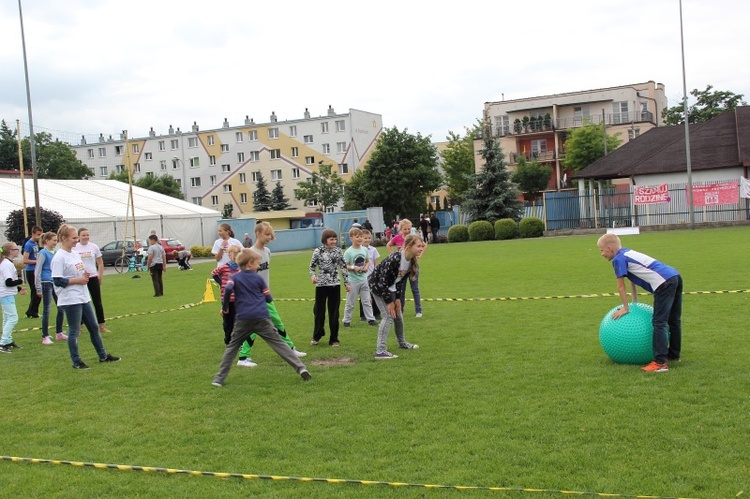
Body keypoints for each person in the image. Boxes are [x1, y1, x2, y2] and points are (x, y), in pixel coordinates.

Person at [212, 249, 311, 387]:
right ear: (250, 263)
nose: (259, 266)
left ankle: (219, 379)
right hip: (262, 317)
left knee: (232, 347)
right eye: (258, 263)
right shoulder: (258, 278)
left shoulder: (234, 278)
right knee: (279, 344)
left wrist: (225, 307)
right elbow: (268, 297)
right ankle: (301, 368)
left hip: (243, 319)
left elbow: (228, 289)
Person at [597, 233, 682, 373]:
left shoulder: (618, 259)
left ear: (610, 248)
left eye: (602, 250)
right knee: (674, 320)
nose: (602, 254)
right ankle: (673, 355)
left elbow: (621, 286)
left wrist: (625, 308)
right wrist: (634, 303)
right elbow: (632, 279)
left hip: (664, 283)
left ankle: (660, 363)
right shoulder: (626, 252)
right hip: (674, 276)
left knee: (659, 322)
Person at [237, 222, 306, 365]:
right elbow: (241, 276)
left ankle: (289, 348)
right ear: (258, 234)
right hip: (254, 298)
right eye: (267, 234)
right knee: (257, 327)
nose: (269, 237)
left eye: (271, 234)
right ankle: (243, 358)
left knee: (274, 323)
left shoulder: (267, 252)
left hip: (265, 296)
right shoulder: (249, 253)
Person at [51, 225, 119, 369]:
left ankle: (103, 355)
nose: (77, 240)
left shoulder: (74, 254)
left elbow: (79, 271)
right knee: (74, 330)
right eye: (74, 237)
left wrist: (84, 275)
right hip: (70, 299)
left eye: (77, 237)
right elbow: (57, 280)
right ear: (64, 238)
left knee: (94, 327)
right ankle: (76, 361)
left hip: (83, 296)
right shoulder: (59, 257)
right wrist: (78, 280)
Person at [368, 234, 424, 359]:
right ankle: (380, 351)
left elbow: (400, 281)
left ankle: (402, 343)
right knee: (388, 315)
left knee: (398, 315)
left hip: (390, 287)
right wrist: (389, 302)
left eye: (422, 246)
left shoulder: (411, 261)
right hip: (378, 287)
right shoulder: (395, 259)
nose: (421, 249)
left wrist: (398, 298)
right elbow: (382, 282)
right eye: (419, 246)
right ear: (409, 246)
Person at [309, 228, 350, 347]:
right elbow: (312, 267)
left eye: (335, 239)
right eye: (331, 239)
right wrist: (313, 276)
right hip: (321, 285)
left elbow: (343, 267)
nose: (334, 241)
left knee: (334, 313)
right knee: (319, 311)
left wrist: (347, 283)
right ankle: (317, 335)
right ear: (325, 240)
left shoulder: (338, 251)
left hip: (334, 285)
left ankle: (334, 339)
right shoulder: (318, 251)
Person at [211, 244, 248, 357]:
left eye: (238, 254)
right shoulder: (224, 267)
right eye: (234, 254)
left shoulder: (240, 269)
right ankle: (228, 340)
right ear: (229, 255)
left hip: (238, 299)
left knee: (238, 321)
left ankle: (239, 341)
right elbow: (214, 273)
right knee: (228, 322)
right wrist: (221, 283)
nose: (236, 256)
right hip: (226, 300)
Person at [386, 219, 424, 318]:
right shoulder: (397, 238)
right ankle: (400, 310)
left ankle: (418, 310)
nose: (407, 231)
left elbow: (424, 245)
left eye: (409, 228)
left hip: (412, 266)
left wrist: (419, 255)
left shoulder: (414, 238)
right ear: (400, 229)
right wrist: (393, 254)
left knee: (415, 289)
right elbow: (389, 245)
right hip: (401, 268)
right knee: (401, 290)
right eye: (405, 229)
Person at [74, 228, 110, 333]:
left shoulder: (94, 247)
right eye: (83, 235)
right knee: (80, 301)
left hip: (93, 277)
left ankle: (101, 325)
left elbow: (100, 263)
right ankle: (79, 326)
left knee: (97, 302)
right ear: (79, 236)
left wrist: (100, 275)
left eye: (87, 235)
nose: (85, 237)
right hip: (81, 278)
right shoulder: (75, 248)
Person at [34, 232, 66, 344]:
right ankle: (45, 336)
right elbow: (37, 271)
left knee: (61, 307)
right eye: (53, 240)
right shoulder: (42, 253)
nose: (55, 242)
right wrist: (38, 288)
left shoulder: (56, 253)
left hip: (55, 282)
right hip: (46, 282)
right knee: (47, 309)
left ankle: (59, 332)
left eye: (56, 240)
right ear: (46, 241)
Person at [342, 227, 377, 327]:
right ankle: (346, 320)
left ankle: (371, 319)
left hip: (363, 279)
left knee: (367, 300)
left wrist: (366, 267)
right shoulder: (348, 252)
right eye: (357, 237)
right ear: (351, 238)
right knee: (350, 302)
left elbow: (367, 261)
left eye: (361, 236)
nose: (360, 238)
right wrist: (353, 267)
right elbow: (345, 266)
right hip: (353, 281)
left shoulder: (364, 249)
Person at [1, 242, 26, 353]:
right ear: (11, 251)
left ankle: (8, 341)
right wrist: (20, 281)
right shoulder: (7, 264)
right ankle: (2, 343)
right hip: (5, 295)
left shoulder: (7, 263)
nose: (18, 250)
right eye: (16, 249)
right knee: (13, 318)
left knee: (7, 318)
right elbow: (8, 282)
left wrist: (19, 288)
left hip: (7, 294)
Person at [360, 229, 381, 322]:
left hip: (372, 276)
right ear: (361, 238)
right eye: (365, 238)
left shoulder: (373, 250)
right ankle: (363, 315)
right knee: (364, 297)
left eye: (369, 238)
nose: (367, 240)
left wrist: (377, 274)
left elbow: (376, 263)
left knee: (374, 295)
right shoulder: (358, 250)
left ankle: (376, 313)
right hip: (362, 277)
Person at [22, 226, 43, 319]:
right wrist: (37, 261)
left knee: (36, 292)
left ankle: (31, 312)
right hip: (31, 271)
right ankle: (32, 312)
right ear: (33, 234)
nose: (39, 237)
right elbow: (25, 260)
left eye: (41, 235)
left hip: (36, 270)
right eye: (38, 235)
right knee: (37, 292)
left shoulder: (35, 243)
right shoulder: (28, 244)